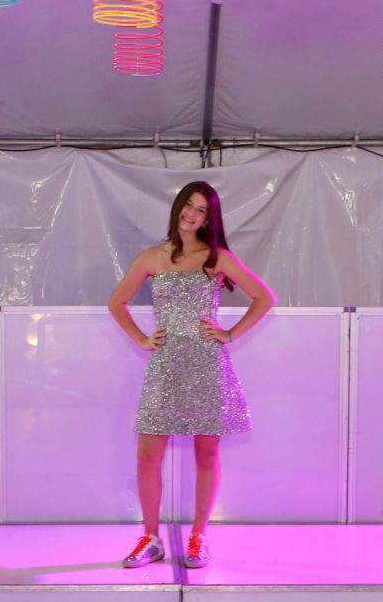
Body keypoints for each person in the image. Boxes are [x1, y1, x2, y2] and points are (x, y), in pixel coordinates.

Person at [107, 181, 276, 569]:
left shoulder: (217, 258)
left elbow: (265, 297)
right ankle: (151, 538)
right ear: (179, 207)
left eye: (201, 210)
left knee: (207, 452)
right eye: (188, 205)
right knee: (148, 455)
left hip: (206, 364)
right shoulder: (153, 256)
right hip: (165, 366)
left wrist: (229, 333)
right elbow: (117, 302)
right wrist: (141, 338)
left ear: (208, 219)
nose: (191, 213)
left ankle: (199, 536)